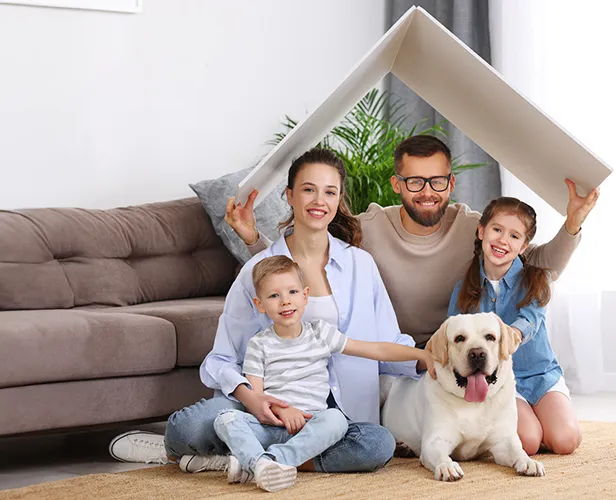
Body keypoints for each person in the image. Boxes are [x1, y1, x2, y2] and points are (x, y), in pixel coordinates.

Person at [110, 148, 426, 473]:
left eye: (329, 191)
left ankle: (245, 459)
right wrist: (255, 402)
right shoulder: (258, 270)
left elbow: (388, 343)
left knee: (377, 445)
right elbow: (222, 359)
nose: (319, 200)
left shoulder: (361, 264)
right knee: (188, 427)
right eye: (308, 189)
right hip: (269, 408)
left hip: (335, 415)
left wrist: (431, 359)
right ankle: (259, 452)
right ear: (289, 195)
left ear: (339, 199)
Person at [230, 135, 599, 348]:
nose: (427, 192)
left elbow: (538, 267)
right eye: (415, 182)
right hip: (392, 357)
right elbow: (300, 259)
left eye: (437, 181)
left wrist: (573, 224)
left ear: (451, 184)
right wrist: (252, 239)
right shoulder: (369, 227)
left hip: (455, 354)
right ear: (397, 185)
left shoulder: (476, 229)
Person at [216, 255, 433, 491]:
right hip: (272, 427)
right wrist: (283, 410)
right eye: (274, 296)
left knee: (338, 420)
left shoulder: (320, 333)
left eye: (292, 292)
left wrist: (420, 355)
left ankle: (265, 461)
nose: (285, 302)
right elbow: (257, 400)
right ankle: (266, 462)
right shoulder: (258, 344)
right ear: (260, 305)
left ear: (305, 295)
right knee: (226, 419)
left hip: (315, 427)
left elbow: (374, 348)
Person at [448, 197, 580, 456]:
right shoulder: (464, 288)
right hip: (501, 383)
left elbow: (530, 320)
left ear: (523, 246)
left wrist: (512, 334)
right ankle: (520, 427)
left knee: (565, 441)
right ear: (482, 231)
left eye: (514, 235)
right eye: (497, 230)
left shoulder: (537, 279)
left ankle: (548, 421)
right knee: (528, 443)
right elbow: (451, 333)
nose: (502, 240)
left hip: (541, 375)